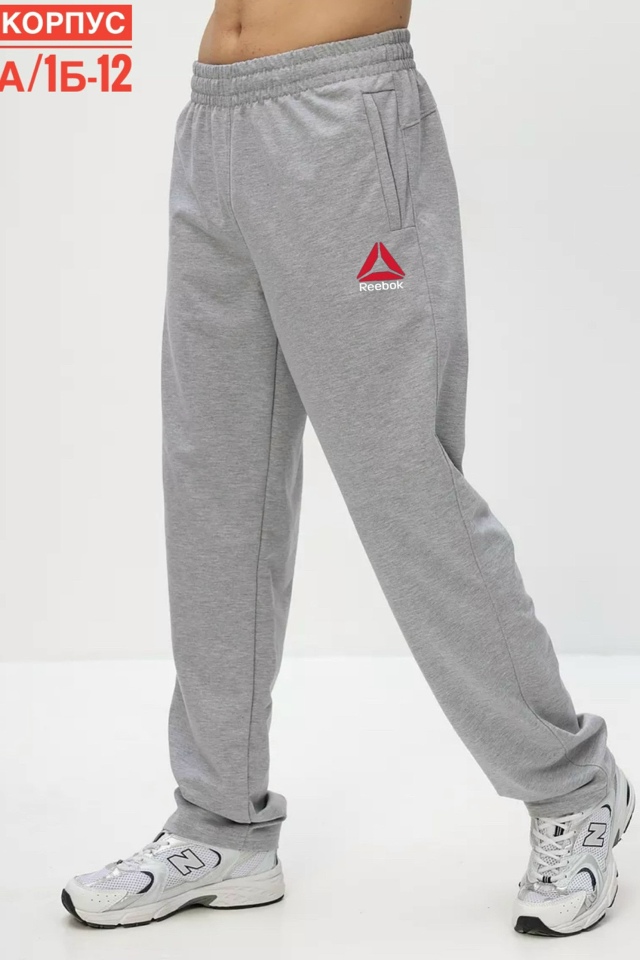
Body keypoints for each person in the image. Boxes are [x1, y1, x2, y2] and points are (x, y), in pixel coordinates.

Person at [62, 0, 635, 937]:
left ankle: (573, 789)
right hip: (213, 120)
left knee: (405, 485)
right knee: (215, 494)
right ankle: (222, 824)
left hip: (341, 114)